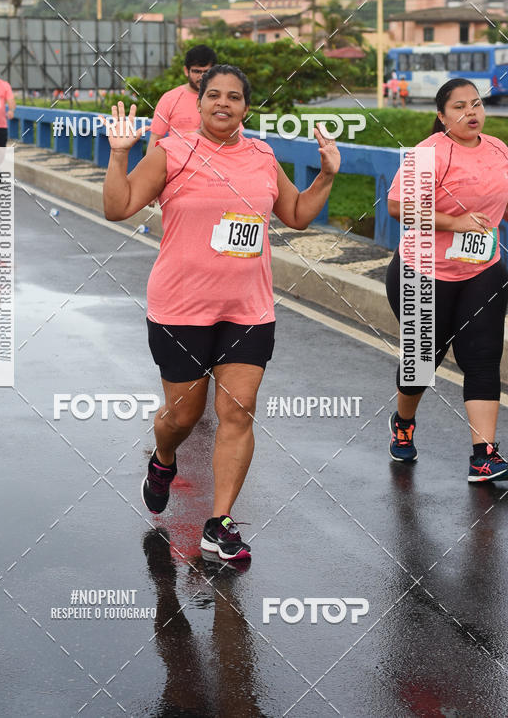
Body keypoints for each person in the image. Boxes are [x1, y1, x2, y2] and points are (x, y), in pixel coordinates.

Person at [103, 64, 340, 559]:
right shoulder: (173, 152)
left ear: (245, 108)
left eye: (234, 96)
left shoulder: (262, 154)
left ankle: (220, 521)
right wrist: (119, 154)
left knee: (237, 411)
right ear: (200, 102)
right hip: (181, 307)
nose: (223, 103)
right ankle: (163, 459)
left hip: (248, 307)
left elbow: (296, 215)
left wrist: (325, 176)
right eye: (214, 95)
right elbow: (118, 207)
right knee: (182, 416)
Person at [386, 77, 508, 482]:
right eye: (459, 107)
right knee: (424, 360)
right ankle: (403, 423)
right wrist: (454, 221)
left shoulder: (497, 150)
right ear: (441, 116)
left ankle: (484, 455)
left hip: (482, 270)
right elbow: (396, 206)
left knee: (483, 357)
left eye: (476, 104)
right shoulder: (430, 153)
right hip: (424, 272)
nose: (471, 112)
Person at [147, 45, 217, 149]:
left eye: (207, 72)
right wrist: (150, 165)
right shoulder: (169, 99)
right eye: (197, 71)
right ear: (186, 71)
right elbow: (155, 138)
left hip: (215, 163)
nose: (202, 76)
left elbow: (236, 135)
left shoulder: (223, 100)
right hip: (177, 163)